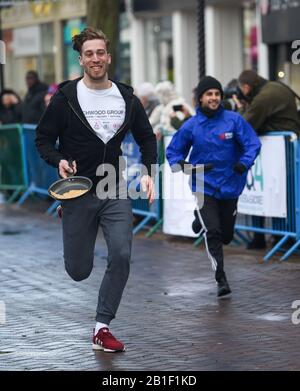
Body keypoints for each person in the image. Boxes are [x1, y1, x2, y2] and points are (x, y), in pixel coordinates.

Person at [35, 27, 157, 352]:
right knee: (78, 271)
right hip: (76, 189)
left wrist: (147, 172)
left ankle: (102, 327)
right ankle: (70, 216)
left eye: (100, 53)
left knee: (121, 253)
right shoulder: (65, 99)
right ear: (81, 59)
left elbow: (146, 138)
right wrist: (58, 159)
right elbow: (43, 138)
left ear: (108, 57)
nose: (95, 59)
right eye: (89, 54)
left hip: (112, 185)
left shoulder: (126, 98)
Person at [166, 76, 261, 297]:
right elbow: (173, 151)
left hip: (230, 185)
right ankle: (221, 278)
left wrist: (244, 163)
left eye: (217, 94)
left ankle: (199, 219)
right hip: (203, 186)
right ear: (200, 98)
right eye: (209, 94)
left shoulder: (234, 121)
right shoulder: (191, 125)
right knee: (214, 232)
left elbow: (252, 143)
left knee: (226, 235)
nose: (214, 98)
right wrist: (182, 164)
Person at [233, 69, 300, 249]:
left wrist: (241, 107)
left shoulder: (264, 97)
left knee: (281, 195)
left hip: (282, 154)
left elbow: (244, 127)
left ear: (246, 87)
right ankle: (283, 237)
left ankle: (281, 238)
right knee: (282, 196)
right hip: (283, 153)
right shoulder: (275, 87)